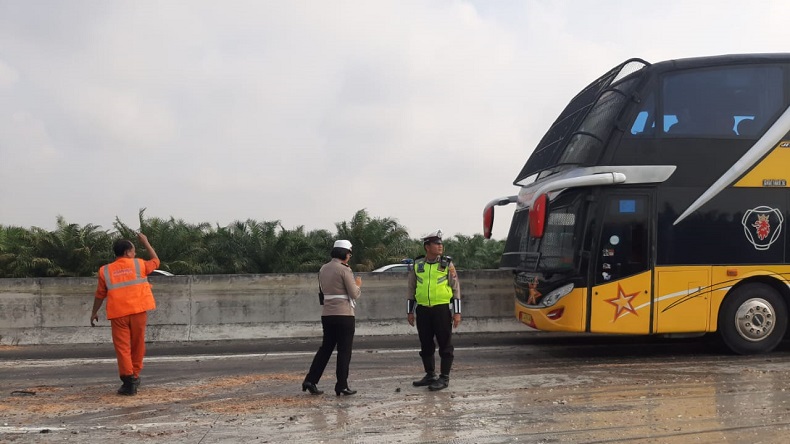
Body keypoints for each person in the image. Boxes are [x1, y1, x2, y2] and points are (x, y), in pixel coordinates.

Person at [90, 233, 160, 396]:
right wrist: (146, 242)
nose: (135, 253)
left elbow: (100, 295)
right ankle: (134, 375)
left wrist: (94, 312)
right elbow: (156, 261)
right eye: (134, 250)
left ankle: (128, 381)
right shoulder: (139, 264)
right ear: (128, 252)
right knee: (137, 345)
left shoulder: (105, 270)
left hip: (118, 314)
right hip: (138, 311)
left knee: (123, 348)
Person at [302, 239, 362, 396]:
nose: (349, 257)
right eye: (349, 254)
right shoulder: (344, 270)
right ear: (345, 253)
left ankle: (310, 380)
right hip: (344, 314)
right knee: (344, 351)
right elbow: (354, 293)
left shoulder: (323, 268)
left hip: (327, 314)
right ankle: (341, 384)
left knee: (326, 348)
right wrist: (358, 285)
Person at [407, 229, 461, 391]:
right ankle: (430, 374)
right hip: (423, 310)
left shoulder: (447, 264)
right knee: (426, 344)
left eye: (441, 244)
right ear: (427, 247)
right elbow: (411, 289)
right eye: (436, 244)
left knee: (445, 343)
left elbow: (456, 288)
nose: (440, 246)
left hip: (442, 310)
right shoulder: (418, 265)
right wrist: (410, 311)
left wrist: (457, 312)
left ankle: (444, 377)